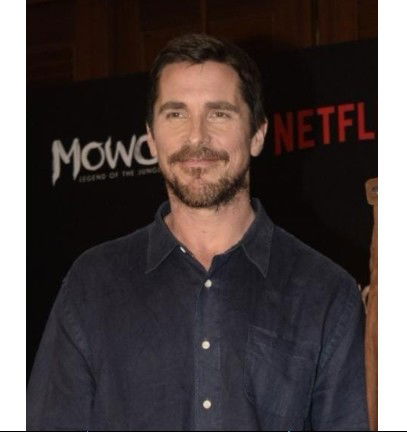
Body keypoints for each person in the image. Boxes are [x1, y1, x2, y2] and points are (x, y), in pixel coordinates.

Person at [27, 33, 369, 431]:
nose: (196, 137)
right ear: (151, 137)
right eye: (176, 114)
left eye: (219, 114)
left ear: (257, 134)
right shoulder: (93, 283)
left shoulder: (325, 292)